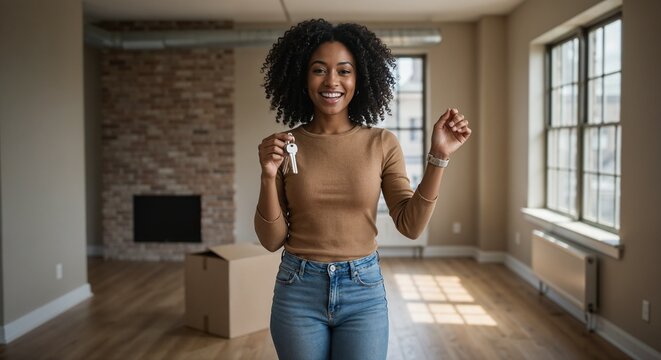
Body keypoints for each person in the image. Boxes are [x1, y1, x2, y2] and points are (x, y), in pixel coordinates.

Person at [254, 19, 471, 360]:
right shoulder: (285, 146)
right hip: (298, 289)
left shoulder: (382, 143)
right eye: (319, 70)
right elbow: (271, 240)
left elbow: (410, 225)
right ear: (302, 77)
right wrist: (268, 175)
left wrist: (438, 157)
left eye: (344, 70)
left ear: (359, 79)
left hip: (363, 291)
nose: (332, 81)